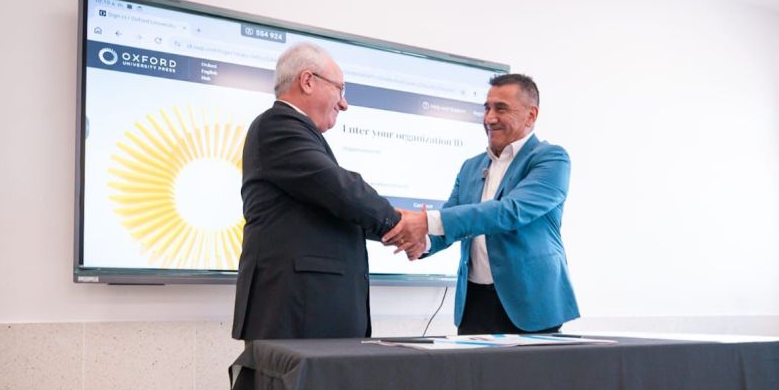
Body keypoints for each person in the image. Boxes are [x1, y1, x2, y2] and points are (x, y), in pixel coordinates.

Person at [382, 74, 578, 334]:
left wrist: (425, 221)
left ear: (531, 115)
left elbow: (510, 212)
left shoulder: (551, 159)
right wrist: (423, 242)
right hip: (474, 304)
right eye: (487, 108)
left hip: (531, 305)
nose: (489, 118)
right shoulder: (470, 167)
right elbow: (451, 220)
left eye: (501, 109)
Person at [232, 43, 401, 340]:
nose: (344, 104)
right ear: (308, 80)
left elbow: (332, 207)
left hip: (309, 314)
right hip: (295, 314)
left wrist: (399, 230)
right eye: (340, 89)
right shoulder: (277, 125)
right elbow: (339, 190)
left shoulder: (298, 132)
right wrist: (397, 223)